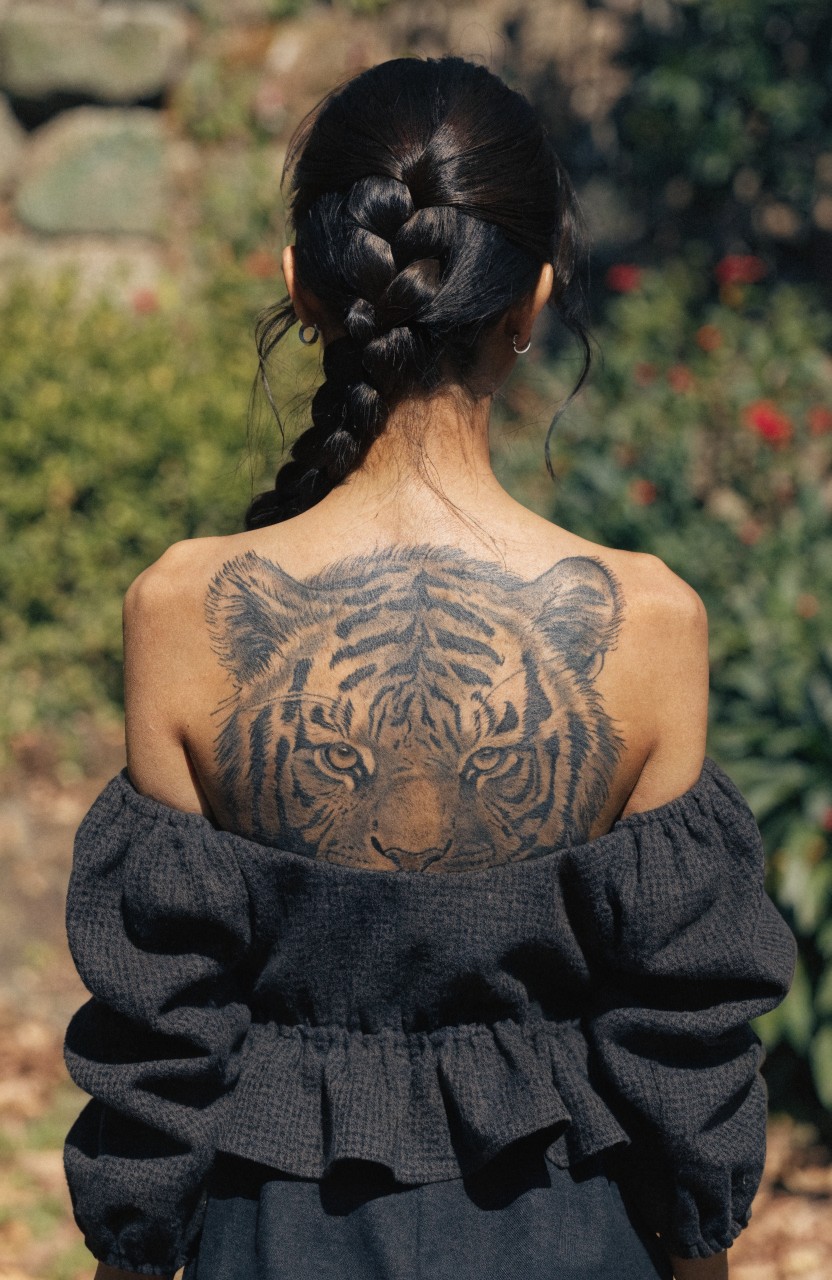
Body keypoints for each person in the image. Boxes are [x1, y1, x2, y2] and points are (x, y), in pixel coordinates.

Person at [62, 56, 795, 1280]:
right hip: (578, 1233)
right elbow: (685, 1036)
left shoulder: (184, 607)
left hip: (270, 1237)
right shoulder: (649, 619)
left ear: (301, 283)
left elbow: (163, 1032)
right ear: (537, 298)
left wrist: (129, 1253)